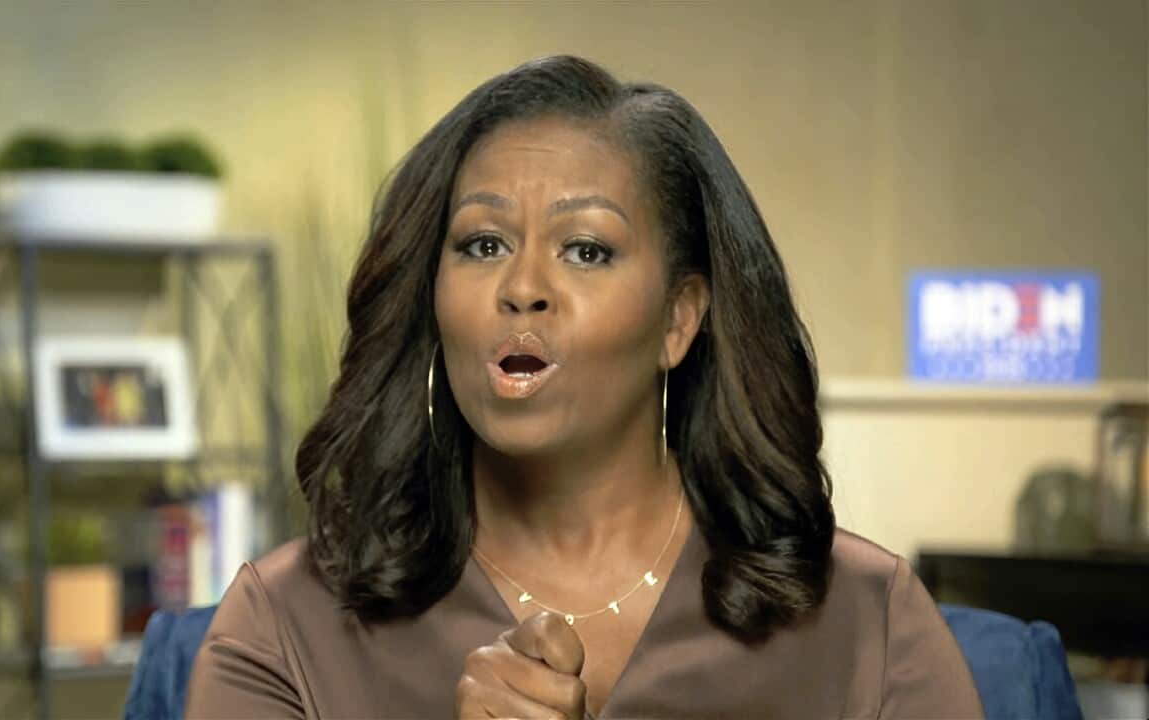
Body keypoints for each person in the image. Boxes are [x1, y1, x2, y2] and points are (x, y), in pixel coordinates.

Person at [184, 55, 983, 719]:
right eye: (483, 243)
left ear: (679, 319)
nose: (522, 286)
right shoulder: (286, 627)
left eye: (587, 251)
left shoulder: (868, 626)